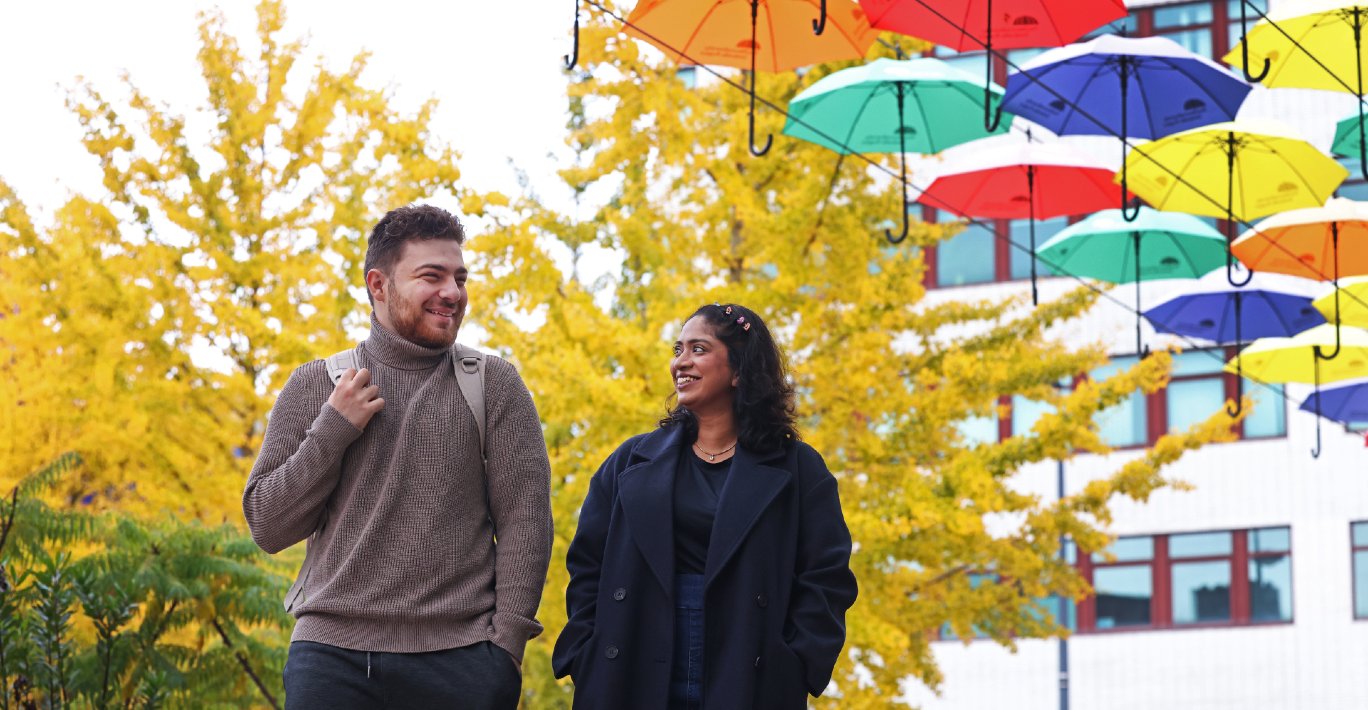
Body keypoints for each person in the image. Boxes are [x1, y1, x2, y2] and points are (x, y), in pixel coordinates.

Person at [244, 204, 553, 710]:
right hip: (331, 659)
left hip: (463, 661)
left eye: (459, 277)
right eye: (431, 276)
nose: (452, 293)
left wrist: (507, 649)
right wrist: (333, 428)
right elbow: (268, 526)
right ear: (378, 285)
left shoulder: (493, 385)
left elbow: (526, 521)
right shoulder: (317, 384)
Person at [552, 303, 858, 710]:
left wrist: (795, 664)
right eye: (678, 349)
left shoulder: (799, 470)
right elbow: (587, 563)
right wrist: (586, 651)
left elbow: (827, 577)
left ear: (738, 370)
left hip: (747, 668)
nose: (681, 362)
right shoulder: (630, 461)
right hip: (631, 661)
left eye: (698, 349)